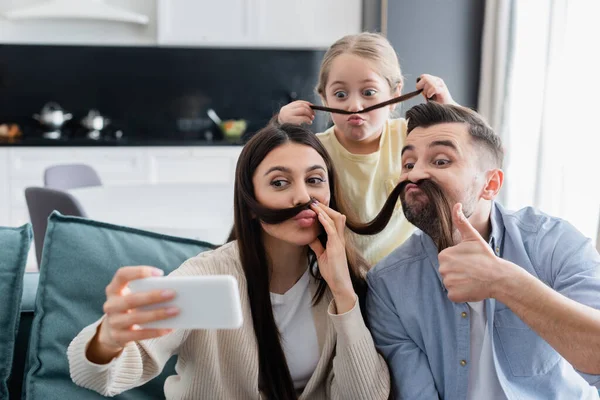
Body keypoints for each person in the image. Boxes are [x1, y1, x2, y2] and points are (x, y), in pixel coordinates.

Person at [67, 123, 390, 400]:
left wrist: (344, 294)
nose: (302, 197)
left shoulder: (347, 281)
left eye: (315, 180)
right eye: (280, 182)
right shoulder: (206, 276)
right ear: (250, 203)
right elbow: (95, 376)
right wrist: (108, 338)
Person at [366, 101, 600, 399]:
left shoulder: (554, 243)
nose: (414, 175)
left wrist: (504, 281)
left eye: (440, 161)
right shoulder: (387, 284)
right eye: (408, 164)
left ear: (490, 184)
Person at [278, 32, 457, 265]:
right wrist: (280, 131)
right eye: (340, 94)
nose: (354, 106)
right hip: (338, 271)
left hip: (407, 270)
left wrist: (450, 109)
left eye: (368, 93)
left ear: (395, 93)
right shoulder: (316, 150)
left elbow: (476, 153)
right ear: (324, 98)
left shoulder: (412, 138)